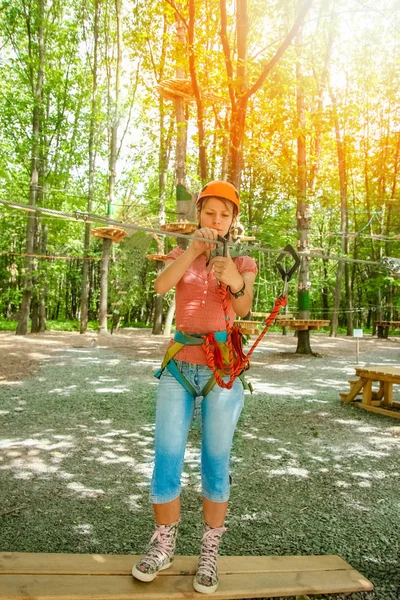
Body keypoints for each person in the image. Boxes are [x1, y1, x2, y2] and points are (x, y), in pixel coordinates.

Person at [132, 180, 257, 594]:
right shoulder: (180, 252)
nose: (216, 220)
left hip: (222, 371)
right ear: (198, 215)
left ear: (233, 220)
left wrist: (234, 280)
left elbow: (242, 308)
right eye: (209, 213)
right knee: (166, 456)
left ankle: (209, 553)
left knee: (215, 461)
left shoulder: (243, 259)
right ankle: (163, 545)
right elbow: (161, 286)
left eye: (224, 214)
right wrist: (192, 252)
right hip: (179, 367)